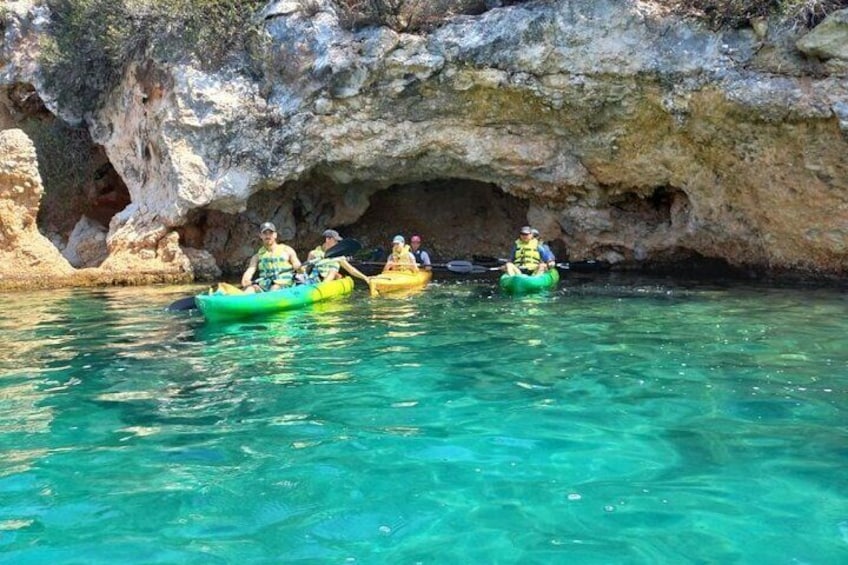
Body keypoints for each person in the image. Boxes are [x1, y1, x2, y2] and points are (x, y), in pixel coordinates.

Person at [240, 222, 302, 293]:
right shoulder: (256, 257)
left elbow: (299, 268)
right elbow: (250, 271)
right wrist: (246, 279)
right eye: (265, 233)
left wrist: (299, 268)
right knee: (250, 289)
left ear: (275, 235)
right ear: (261, 236)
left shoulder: (287, 250)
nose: (268, 236)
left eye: (270, 233)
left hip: (284, 286)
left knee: (275, 287)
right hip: (265, 287)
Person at [306, 229, 371, 284]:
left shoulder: (339, 257)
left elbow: (351, 270)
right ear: (328, 239)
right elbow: (306, 269)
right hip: (315, 278)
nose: (337, 243)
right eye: (335, 241)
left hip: (329, 280)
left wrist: (365, 278)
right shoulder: (313, 253)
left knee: (333, 272)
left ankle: (322, 286)